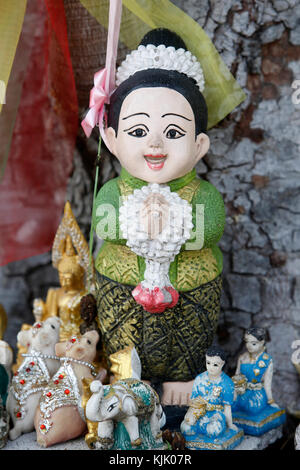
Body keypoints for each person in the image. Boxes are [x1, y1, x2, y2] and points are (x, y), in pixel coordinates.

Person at [92, 28, 226, 406]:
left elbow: (210, 227)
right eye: (138, 131)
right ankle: (126, 377)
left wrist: (174, 227)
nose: (155, 144)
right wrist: (135, 225)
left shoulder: (201, 194)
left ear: (199, 145)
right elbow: (104, 223)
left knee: (190, 332)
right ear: (113, 140)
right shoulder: (115, 192)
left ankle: (182, 380)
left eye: (172, 131)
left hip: (192, 286)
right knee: (123, 333)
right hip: (123, 282)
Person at [180, 346, 243, 450]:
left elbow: (227, 406)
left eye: (215, 365)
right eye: (208, 363)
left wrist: (230, 424)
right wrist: (191, 414)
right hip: (200, 412)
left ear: (222, 364)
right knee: (185, 428)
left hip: (216, 414)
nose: (211, 367)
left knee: (213, 431)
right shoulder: (200, 379)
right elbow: (194, 401)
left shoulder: (226, 382)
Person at [232, 327, 286, 436]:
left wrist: (271, 401)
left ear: (262, 343)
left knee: (252, 408)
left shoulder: (267, 360)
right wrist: (234, 393)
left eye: (253, 343)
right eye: (247, 342)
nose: (248, 346)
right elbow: (236, 377)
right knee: (231, 406)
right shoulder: (242, 358)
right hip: (241, 391)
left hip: (256, 393)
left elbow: (267, 383)